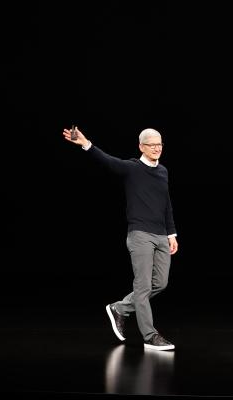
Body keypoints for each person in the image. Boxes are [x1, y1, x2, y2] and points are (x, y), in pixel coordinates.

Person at [63, 126, 179, 351]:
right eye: (151, 144)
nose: (156, 148)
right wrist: (87, 144)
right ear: (141, 147)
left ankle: (119, 308)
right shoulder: (132, 168)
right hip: (140, 235)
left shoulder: (163, 171)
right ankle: (150, 336)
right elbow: (107, 160)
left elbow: (166, 205)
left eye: (159, 144)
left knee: (160, 283)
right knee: (143, 285)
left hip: (161, 235)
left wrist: (171, 233)